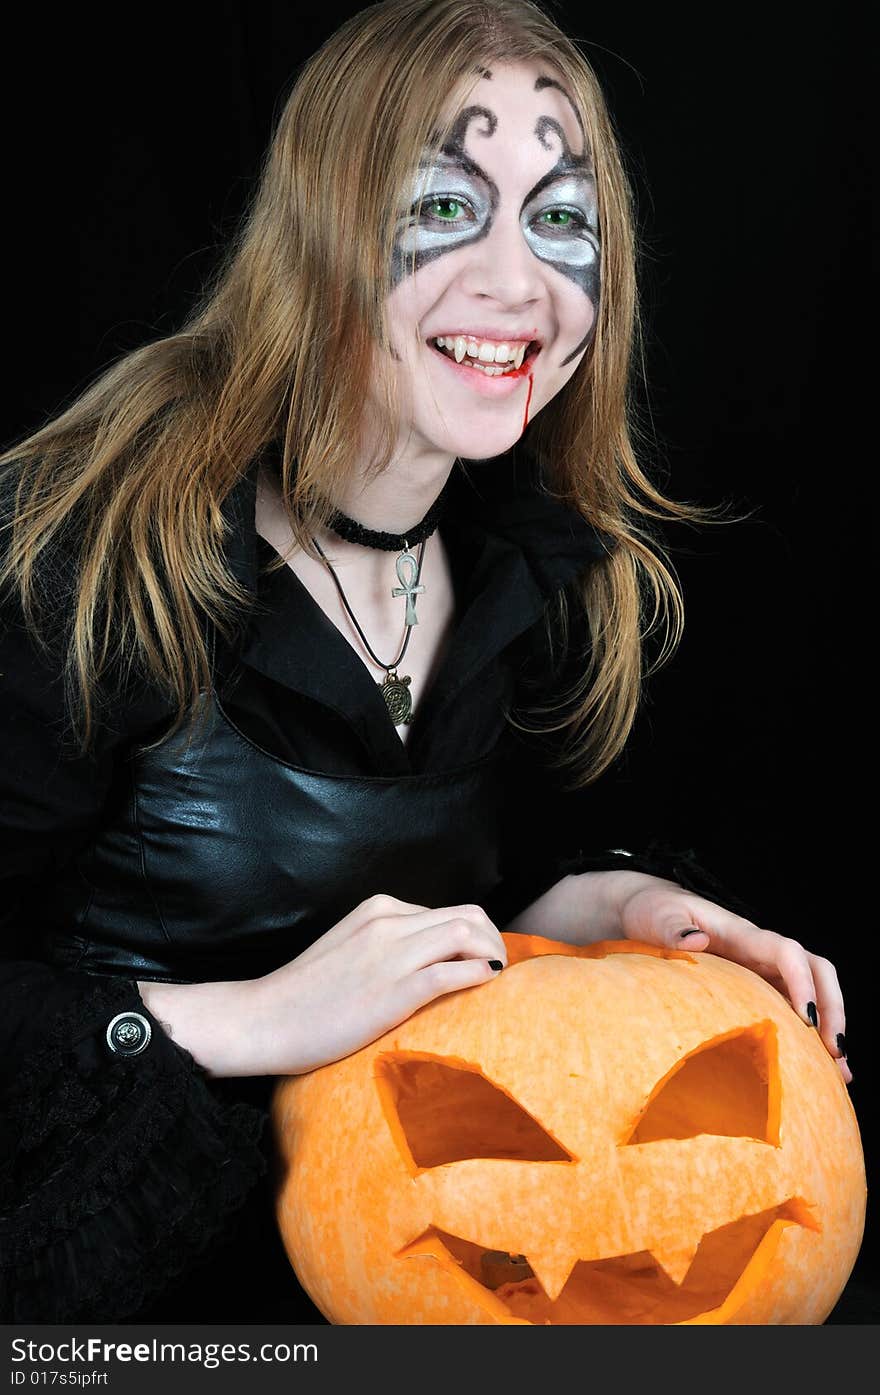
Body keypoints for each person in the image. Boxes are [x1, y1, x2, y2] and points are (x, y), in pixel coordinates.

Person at [0, 0, 850, 1325]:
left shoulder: (533, 567)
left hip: (391, 1290)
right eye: (447, 208)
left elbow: (448, 913)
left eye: (561, 220)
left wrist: (614, 919)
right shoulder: (92, 552)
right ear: (324, 229)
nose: (518, 283)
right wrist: (251, 1017)